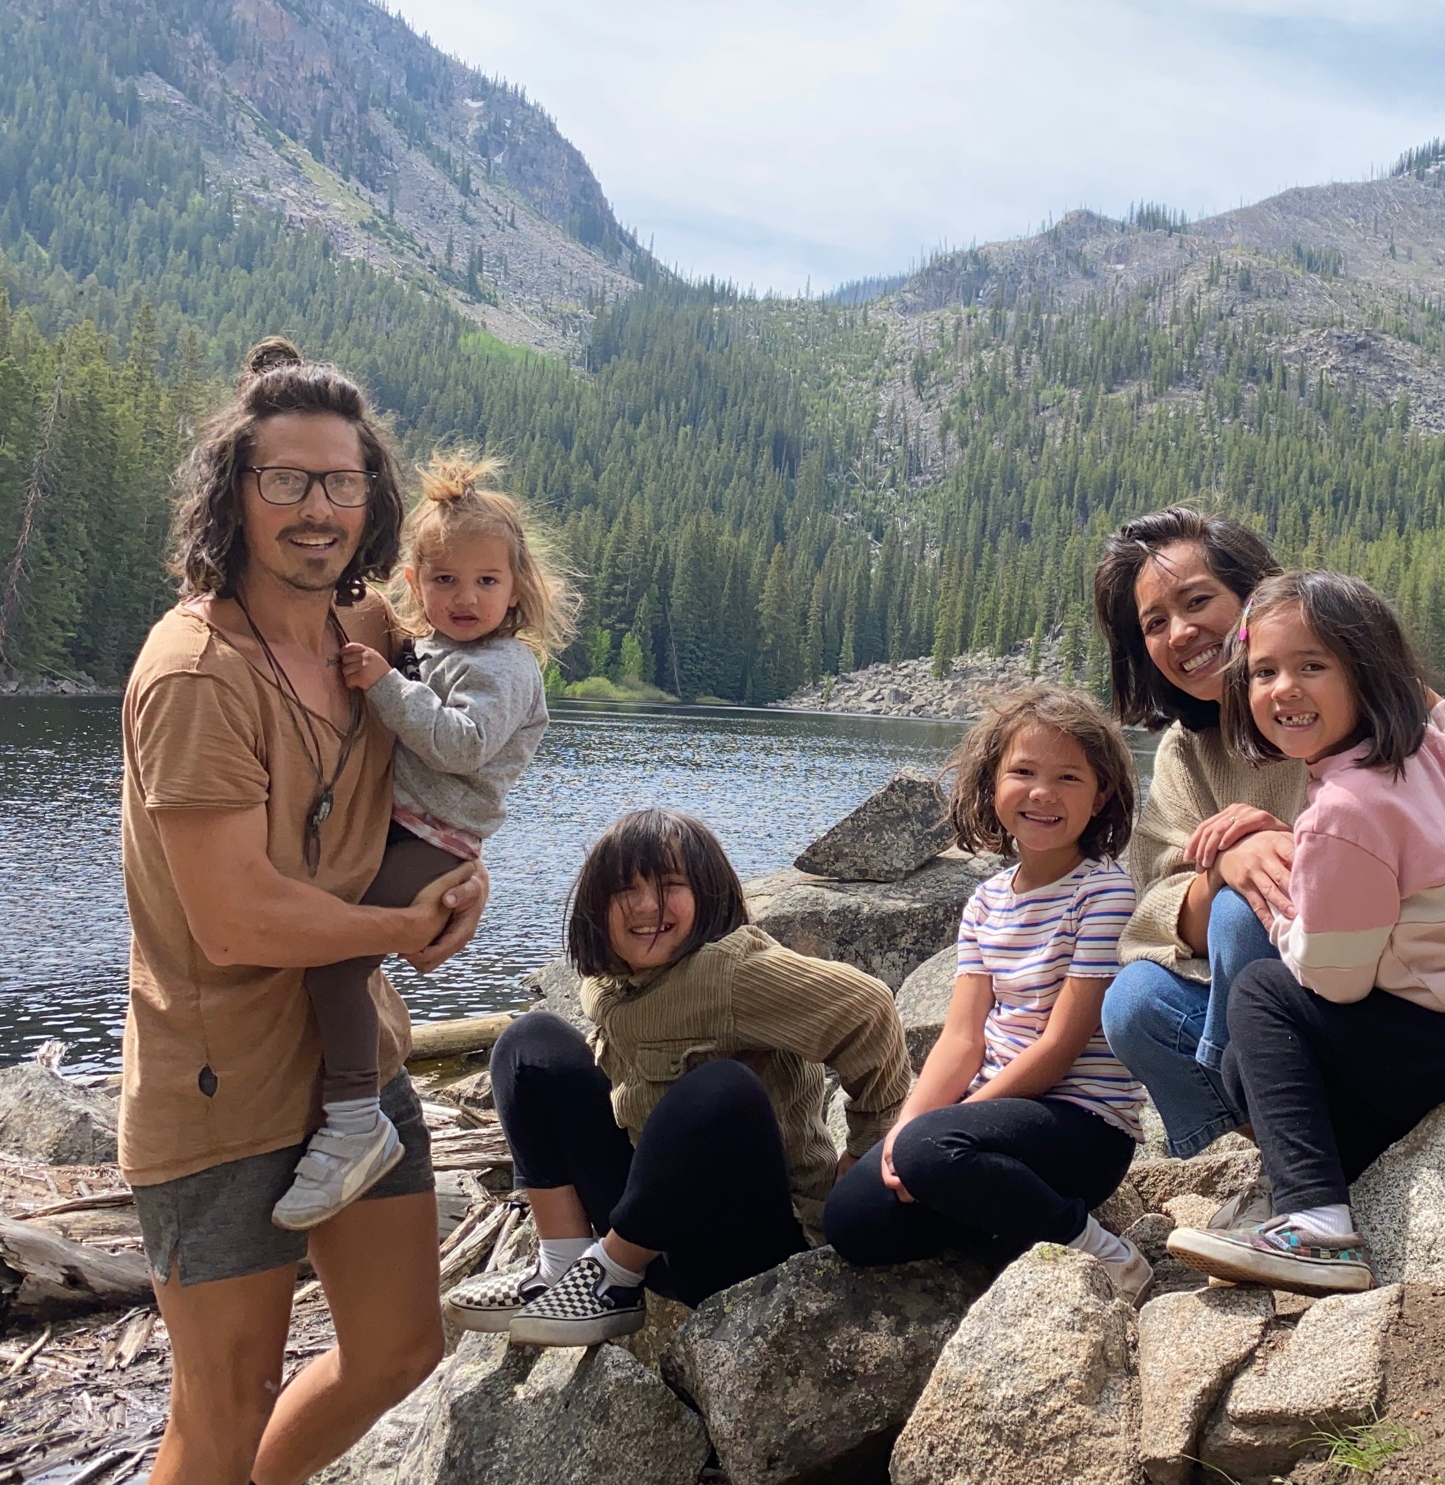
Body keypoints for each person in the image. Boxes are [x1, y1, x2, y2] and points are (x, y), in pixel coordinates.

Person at [119, 338, 490, 1485]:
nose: (317, 508)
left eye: (341, 480)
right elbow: (236, 920)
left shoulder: (364, 632)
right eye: (285, 479)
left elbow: (442, 765)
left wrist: (457, 878)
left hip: (351, 1070)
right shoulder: (195, 672)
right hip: (217, 1084)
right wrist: (400, 929)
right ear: (233, 492)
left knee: (399, 1347)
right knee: (221, 1406)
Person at [1166, 570, 1445, 1295]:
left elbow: (1335, 978)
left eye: (1312, 665)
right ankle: (1338, 1177)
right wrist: (1432, 704)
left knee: (1261, 997)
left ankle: (1316, 1226)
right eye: (1264, 671)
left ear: (1368, 673)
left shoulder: (1343, 809)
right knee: (1245, 1066)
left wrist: (1279, 907)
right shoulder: (1427, 750)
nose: (1284, 688)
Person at [443, 808, 912, 1345]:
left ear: (709, 893)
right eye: (625, 889)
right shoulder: (610, 982)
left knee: (722, 1089)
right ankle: (563, 1267)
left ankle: (609, 1280)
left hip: (747, 1246)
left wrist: (867, 1148)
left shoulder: (730, 972)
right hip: (655, 1235)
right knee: (529, 1042)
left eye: (669, 885)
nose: (647, 906)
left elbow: (868, 1007)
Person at [273, 453, 575, 1230]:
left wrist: (384, 683)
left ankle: (354, 1119)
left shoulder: (504, 666)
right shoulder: (431, 645)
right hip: (399, 829)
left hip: (435, 842)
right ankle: (341, 1095)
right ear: (414, 580)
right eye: (444, 579)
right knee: (328, 950)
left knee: (336, 960)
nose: (465, 597)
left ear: (516, 587)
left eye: (485, 580)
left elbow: (462, 745)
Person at [825, 686, 1152, 1302]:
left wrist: (945, 1130)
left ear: (1101, 795)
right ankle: (1009, 1221)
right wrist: (906, 1126)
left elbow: (1059, 1046)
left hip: (1081, 1126)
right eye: (1023, 772)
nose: (1042, 793)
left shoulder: (1105, 893)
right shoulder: (986, 901)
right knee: (852, 1218)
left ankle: (1101, 1251)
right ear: (992, 783)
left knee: (930, 1151)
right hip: (993, 1119)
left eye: (1068, 777)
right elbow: (961, 1038)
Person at [1091, 508, 1304, 1191]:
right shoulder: (1186, 751)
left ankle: (1303, 1167)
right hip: (1271, 1016)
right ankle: (1293, 1152)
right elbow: (1154, 912)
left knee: (1243, 915)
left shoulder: (1325, 698)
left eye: (1197, 600)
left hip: (1372, 983)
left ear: (1253, 596)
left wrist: (1273, 850)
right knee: (1135, 1002)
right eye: (1154, 623)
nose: (1180, 632)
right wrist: (1224, 867)